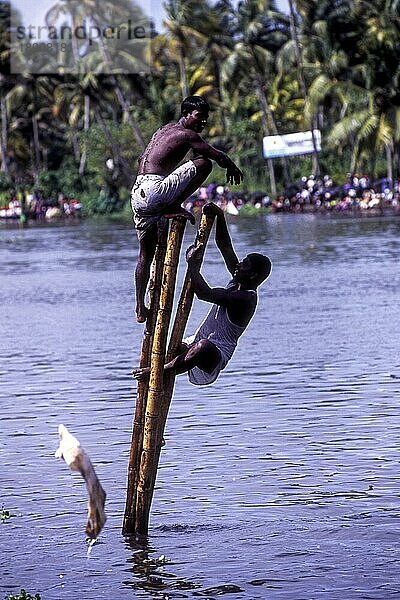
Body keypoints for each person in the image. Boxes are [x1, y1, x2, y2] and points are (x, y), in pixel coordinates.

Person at [131, 95, 243, 323]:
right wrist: (232, 166)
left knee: (145, 254)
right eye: (199, 117)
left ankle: (140, 307)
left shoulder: (165, 130)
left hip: (137, 192)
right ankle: (173, 204)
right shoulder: (187, 135)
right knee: (205, 165)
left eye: (206, 118)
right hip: (154, 190)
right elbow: (215, 156)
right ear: (186, 115)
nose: (203, 122)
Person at [133, 202, 271, 386]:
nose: (238, 265)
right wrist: (220, 216)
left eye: (244, 265)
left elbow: (204, 294)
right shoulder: (239, 280)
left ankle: (160, 372)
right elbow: (225, 247)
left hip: (211, 357)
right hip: (193, 345)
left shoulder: (245, 298)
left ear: (253, 275)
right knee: (166, 343)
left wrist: (192, 263)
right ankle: (164, 368)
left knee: (203, 346)